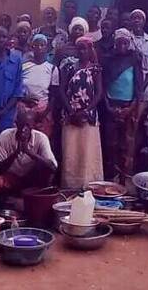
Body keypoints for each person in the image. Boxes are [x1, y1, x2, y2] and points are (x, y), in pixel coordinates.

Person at [59, 36, 103, 188]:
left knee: (87, 152)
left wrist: (86, 111)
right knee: (72, 151)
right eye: (79, 48)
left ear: (90, 50)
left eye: (85, 48)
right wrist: (71, 111)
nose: (82, 51)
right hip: (70, 116)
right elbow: (62, 90)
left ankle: (89, 186)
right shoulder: (69, 67)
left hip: (88, 116)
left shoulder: (95, 69)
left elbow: (99, 93)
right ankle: (71, 186)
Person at [0, 110, 57, 203]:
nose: (23, 129)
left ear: (33, 125)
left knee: (44, 167)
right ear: (16, 124)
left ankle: (38, 199)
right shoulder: (5, 135)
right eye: (21, 125)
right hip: (11, 177)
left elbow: (52, 167)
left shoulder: (41, 138)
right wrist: (16, 153)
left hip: (31, 178)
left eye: (28, 125)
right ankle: (5, 203)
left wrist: (29, 152)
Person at [101, 28, 142, 181]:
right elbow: (103, 86)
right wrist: (109, 107)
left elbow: (138, 86)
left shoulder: (134, 59)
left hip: (128, 106)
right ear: (115, 43)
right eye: (119, 43)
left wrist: (130, 108)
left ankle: (124, 178)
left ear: (129, 43)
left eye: (125, 43)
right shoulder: (108, 60)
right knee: (110, 143)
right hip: (111, 105)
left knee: (125, 144)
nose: (122, 46)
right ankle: (110, 176)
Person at [20, 34, 58, 137]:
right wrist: (25, 100)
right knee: (23, 137)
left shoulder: (52, 69)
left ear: (47, 48)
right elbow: (17, 88)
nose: (39, 48)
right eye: (36, 45)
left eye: (42, 45)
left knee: (41, 139)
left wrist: (46, 112)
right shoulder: (24, 66)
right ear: (32, 47)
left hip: (43, 109)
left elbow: (54, 94)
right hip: (24, 108)